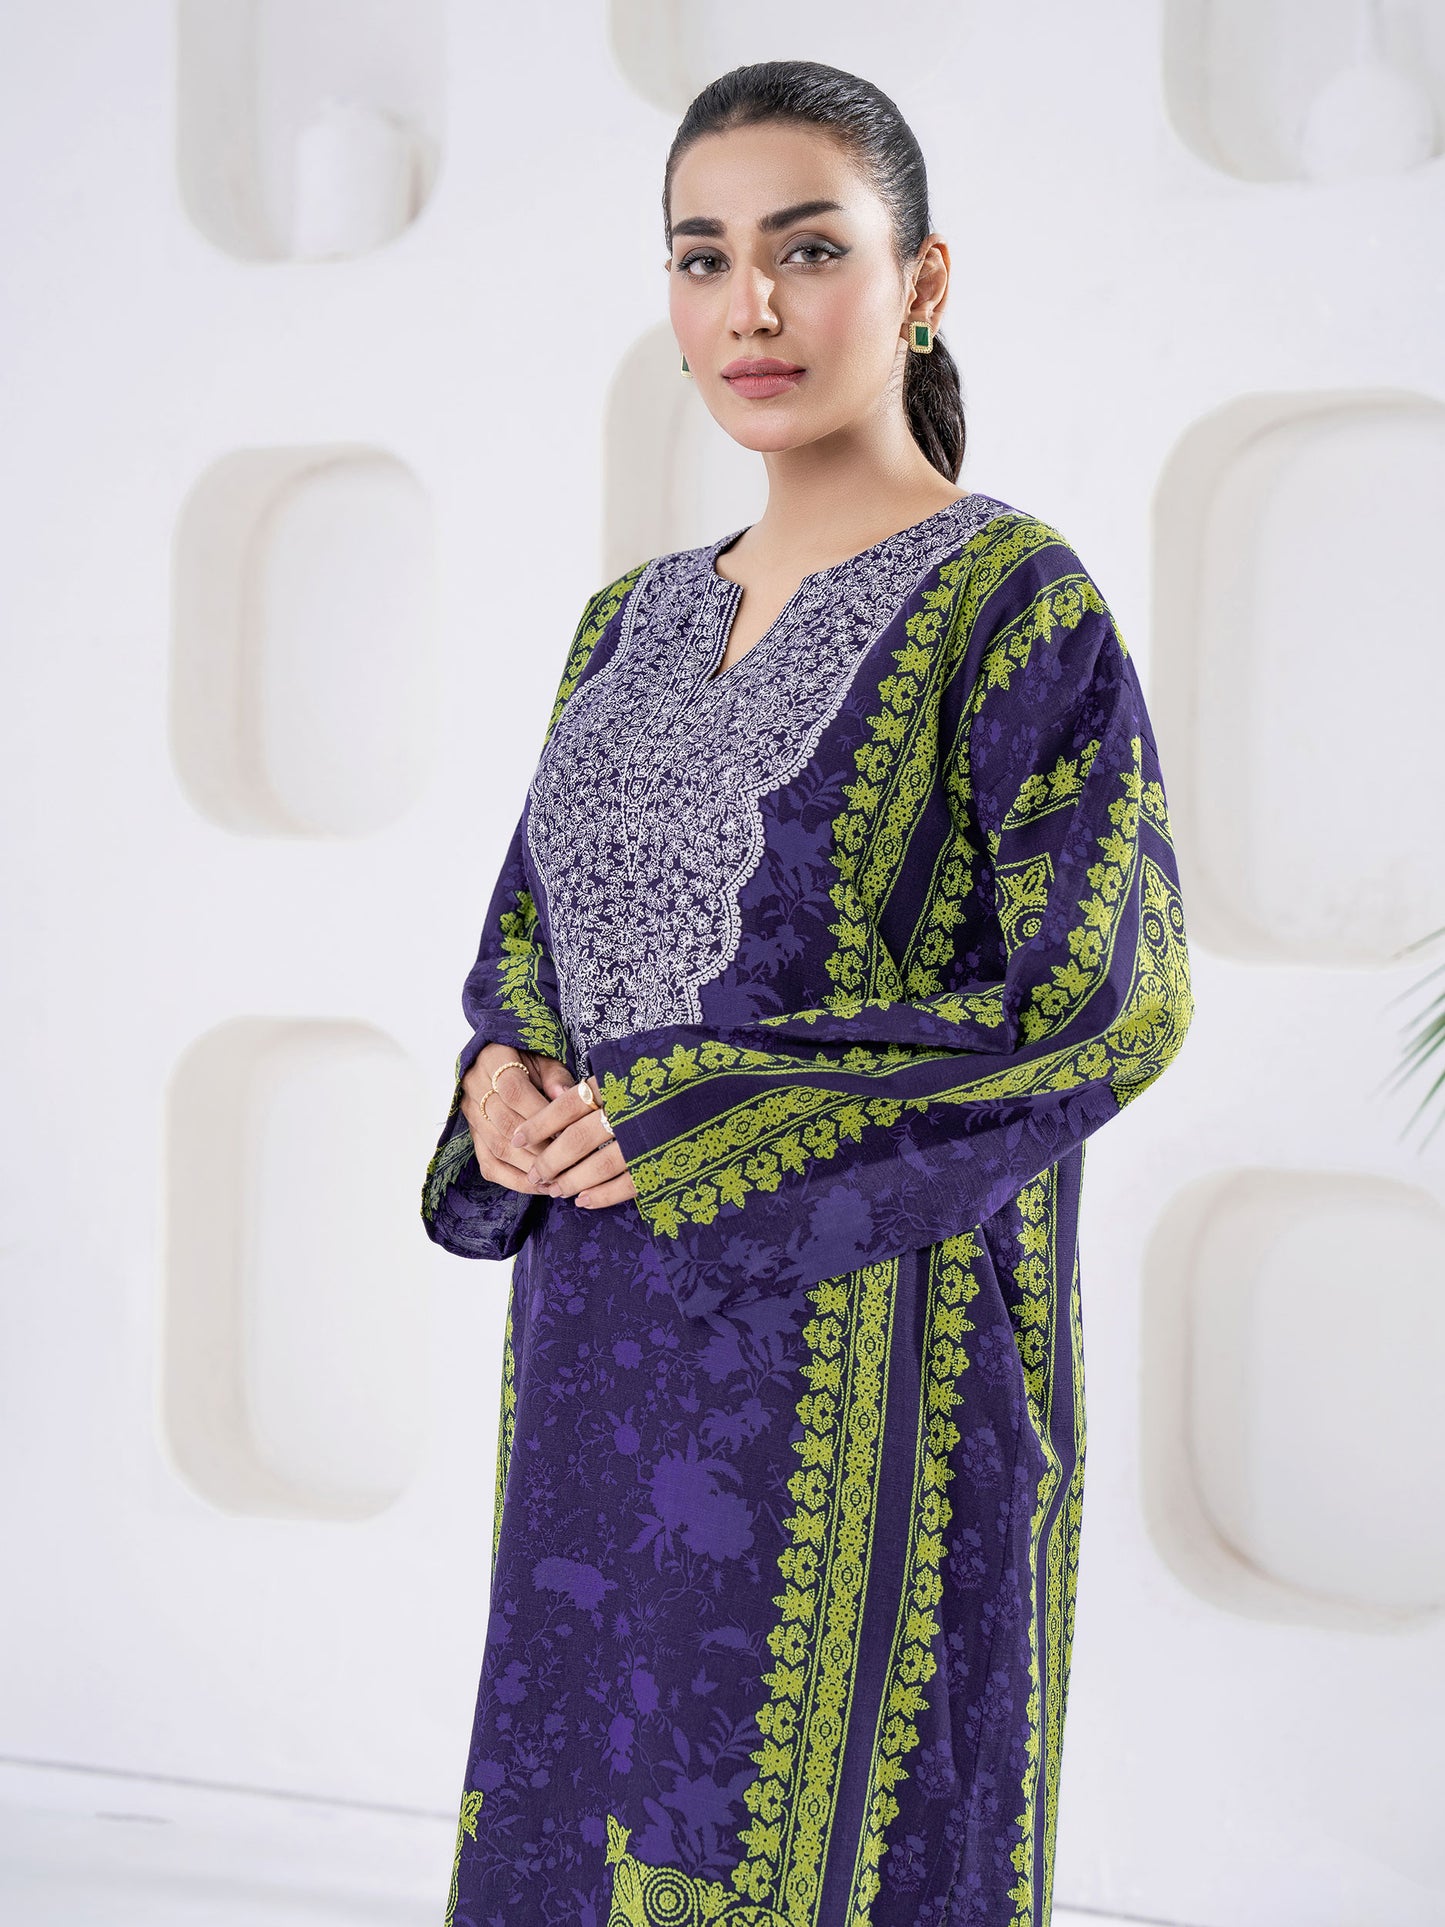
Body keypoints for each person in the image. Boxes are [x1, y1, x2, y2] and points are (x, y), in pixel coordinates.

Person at [420, 58, 1193, 1927]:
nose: (748, 305)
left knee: (818, 1825)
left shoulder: (1011, 601)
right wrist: (501, 1077)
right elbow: (533, 941)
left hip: (865, 1356)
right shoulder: (626, 624)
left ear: (920, 281)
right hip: (599, 1341)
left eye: (807, 249)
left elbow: (1110, 998)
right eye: (702, 258)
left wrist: (706, 1115)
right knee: (579, 1803)